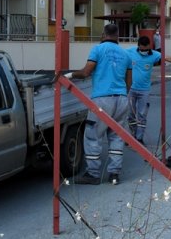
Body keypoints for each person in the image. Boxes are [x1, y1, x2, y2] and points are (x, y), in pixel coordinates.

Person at [57, 23, 132, 185]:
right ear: (118, 35)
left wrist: (68, 75)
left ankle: (93, 174)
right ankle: (114, 174)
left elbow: (86, 72)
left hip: (102, 100)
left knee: (92, 136)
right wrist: (121, 95)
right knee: (117, 137)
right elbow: (129, 82)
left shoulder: (98, 49)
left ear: (103, 34)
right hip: (121, 99)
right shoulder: (126, 55)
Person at [126, 36, 171, 145]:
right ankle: (132, 136)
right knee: (130, 115)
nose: (144, 52)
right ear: (138, 46)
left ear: (150, 46)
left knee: (142, 115)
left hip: (144, 90)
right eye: (142, 49)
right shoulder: (130, 52)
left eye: (146, 49)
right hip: (131, 89)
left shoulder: (154, 54)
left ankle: (139, 138)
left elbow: (169, 58)